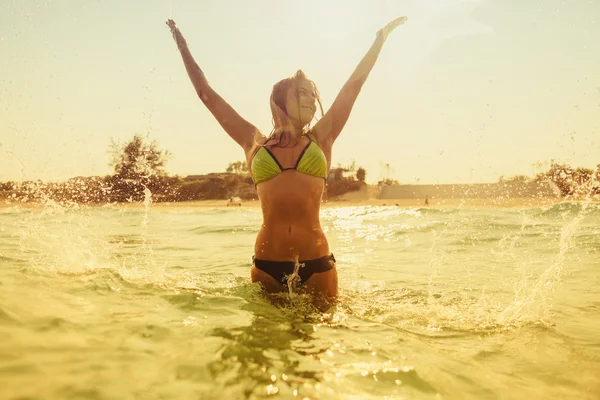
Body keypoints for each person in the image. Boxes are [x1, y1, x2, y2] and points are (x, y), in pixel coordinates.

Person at [166, 16, 407, 302]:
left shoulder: (321, 137)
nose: (309, 100)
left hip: (317, 262)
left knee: (316, 345)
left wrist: (379, 40)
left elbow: (354, 86)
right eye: (301, 93)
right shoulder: (253, 141)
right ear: (281, 99)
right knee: (264, 340)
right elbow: (208, 96)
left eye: (311, 94)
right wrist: (183, 47)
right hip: (268, 263)